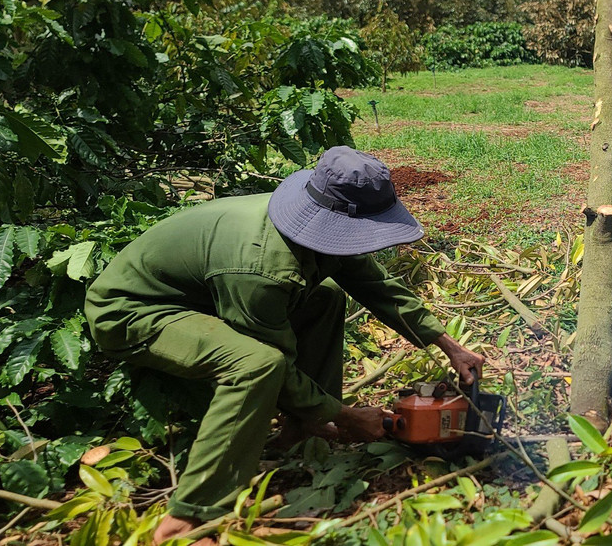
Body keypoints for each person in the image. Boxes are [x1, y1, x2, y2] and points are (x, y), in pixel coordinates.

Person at [84, 147, 486, 544]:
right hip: (132, 311)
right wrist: (347, 416)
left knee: (326, 296)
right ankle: (191, 515)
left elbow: (376, 285)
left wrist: (449, 345)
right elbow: (276, 366)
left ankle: (307, 426)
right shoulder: (263, 271)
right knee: (256, 365)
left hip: (199, 297)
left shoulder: (319, 222)